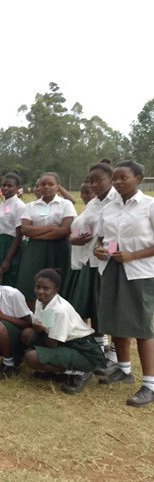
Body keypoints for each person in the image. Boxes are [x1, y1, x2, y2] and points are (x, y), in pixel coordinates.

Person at [93, 160, 154, 406]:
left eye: (123, 178)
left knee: (141, 326)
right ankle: (124, 369)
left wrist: (132, 255)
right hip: (112, 268)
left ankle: (150, 384)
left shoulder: (149, 205)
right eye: (115, 178)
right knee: (115, 320)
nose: (117, 182)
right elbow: (103, 238)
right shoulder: (109, 207)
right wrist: (100, 250)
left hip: (139, 272)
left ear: (138, 179)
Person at [63, 162, 118, 373]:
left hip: (110, 263)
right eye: (91, 181)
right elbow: (80, 228)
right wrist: (73, 239)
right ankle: (99, 350)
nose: (94, 185)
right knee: (93, 307)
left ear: (110, 179)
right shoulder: (94, 203)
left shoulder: (116, 201)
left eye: (99, 180)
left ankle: (115, 356)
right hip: (88, 261)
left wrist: (109, 250)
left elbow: (119, 236)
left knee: (108, 308)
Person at [18, 269, 105, 394]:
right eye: (38, 287)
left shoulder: (60, 310)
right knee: (27, 334)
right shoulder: (42, 302)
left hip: (83, 351)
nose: (40, 291)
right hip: (64, 343)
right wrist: (39, 330)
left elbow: (52, 344)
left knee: (31, 357)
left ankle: (81, 372)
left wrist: (39, 333)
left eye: (46, 288)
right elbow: (47, 329)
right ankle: (57, 372)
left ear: (56, 290)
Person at [16, 172, 76, 308]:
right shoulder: (31, 206)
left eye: (50, 184)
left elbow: (65, 230)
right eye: (43, 184)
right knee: (30, 282)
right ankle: (34, 316)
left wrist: (37, 235)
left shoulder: (65, 204)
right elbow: (25, 229)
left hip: (59, 248)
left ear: (58, 186)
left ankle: (57, 315)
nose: (46, 187)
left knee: (57, 283)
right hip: (35, 250)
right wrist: (51, 228)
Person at [0, 173, 26, 287]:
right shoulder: (3, 204)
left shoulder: (19, 206)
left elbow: (19, 234)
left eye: (9, 186)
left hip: (10, 246)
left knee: (8, 280)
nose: (5, 188)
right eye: (3, 185)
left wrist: (8, 259)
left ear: (17, 188)